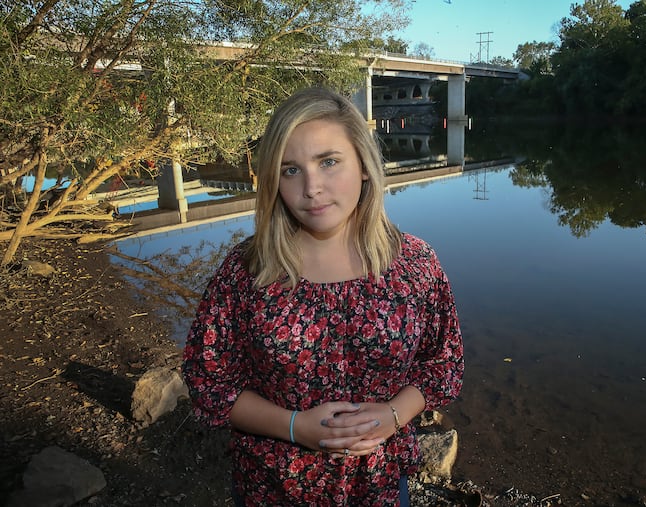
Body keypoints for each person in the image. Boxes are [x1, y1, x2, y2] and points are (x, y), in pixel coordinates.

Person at [181, 87, 464, 506]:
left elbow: (442, 364)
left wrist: (392, 415)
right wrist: (296, 427)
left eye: (329, 162)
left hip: (381, 486)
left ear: (364, 166)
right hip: (275, 487)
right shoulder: (247, 271)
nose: (311, 187)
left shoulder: (415, 264)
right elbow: (209, 382)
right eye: (290, 170)